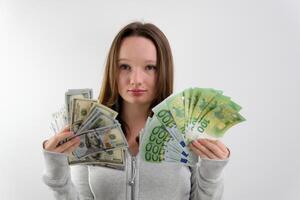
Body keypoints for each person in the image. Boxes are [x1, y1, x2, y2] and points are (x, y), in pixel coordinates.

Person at [42, 21, 230, 200]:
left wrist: (212, 172)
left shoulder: (187, 129)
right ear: (112, 71)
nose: (136, 79)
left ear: (163, 70)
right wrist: (56, 172)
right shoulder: (89, 131)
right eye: (125, 66)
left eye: (149, 67)